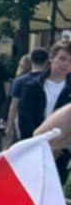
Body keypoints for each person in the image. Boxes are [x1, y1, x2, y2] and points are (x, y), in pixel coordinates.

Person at [17, 39, 71, 177]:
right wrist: (37, 144)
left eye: (70, 61)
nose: (66, 64)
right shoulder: (32, 87)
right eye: (62, 58)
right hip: (33, 148)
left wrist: (59, 147)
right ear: (52, 58)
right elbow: (24, 118)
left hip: (61, 154)